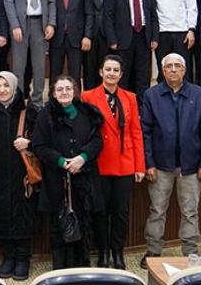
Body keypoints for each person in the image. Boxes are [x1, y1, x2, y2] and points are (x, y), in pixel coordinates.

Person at [139, 53, 201, 268]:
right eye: (169, 66)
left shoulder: (199, 94)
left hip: (191, 167)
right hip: (160, 166)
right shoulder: (151, 95)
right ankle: (153, 251)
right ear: (163, 71)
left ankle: (190, 253)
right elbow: (146, 132)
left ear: (184, 70)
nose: (173, 69)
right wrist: (149, 163)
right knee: (157, 210)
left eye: (177, 66)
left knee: (190, 212)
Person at [32, 74, 102, 269]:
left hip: (83, 179)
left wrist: (83, 157)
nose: (64, 92)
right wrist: (62, 161)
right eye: (60, 89)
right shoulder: (45, 115)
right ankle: (60, 270)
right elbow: (38, 146)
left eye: (68, 88)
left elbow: (97, 141)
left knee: (83, 223)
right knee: (59, 226)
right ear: (53, 93)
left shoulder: (86, 112)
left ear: (74, 91)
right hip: (57, 180)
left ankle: (80, 268)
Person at [82, 55, 144, 270]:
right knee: (100, 211)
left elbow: (136, 132)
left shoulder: (130, 97)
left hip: (125, 162)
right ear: (101, 72)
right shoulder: (88, 96)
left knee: (120, 212)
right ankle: (102, 252)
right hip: (99, 162)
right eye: (107, 69)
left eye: (115, 70)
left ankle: (117, 252)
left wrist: (140, 166)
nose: (111, 73)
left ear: (121, 74)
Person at [0, 71, 38, 280]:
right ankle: (7, 256)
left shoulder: (28, 111)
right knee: (1, 213)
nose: (2, 90)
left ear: (14, 87)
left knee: (22, 213)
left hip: (21, 173)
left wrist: (29, 143)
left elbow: (43, 138)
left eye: (6, 85)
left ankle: (22, 257)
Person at [4, 0, 56, 105]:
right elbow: (8, 2)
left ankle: (37, 102)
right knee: (18, 67)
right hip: (21, 25)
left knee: (39, 67)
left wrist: (51, 23)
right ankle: (18, 101)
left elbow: (51, 1)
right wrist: (14, 25)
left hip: (40, 25)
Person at [103, 0, 159, 100]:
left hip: (144, 38)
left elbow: (153, 16)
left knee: (143, 76)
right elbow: (108, 16)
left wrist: (154, 38)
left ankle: (142, 107)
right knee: (123, 76)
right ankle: (122, 106)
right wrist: (112, 40)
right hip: (122, 39)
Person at [151, 0, 197, 74]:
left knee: (182, 68)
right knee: (163, 68)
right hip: (162, 33)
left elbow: (191, 8)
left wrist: (191, 30)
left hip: (182, 32)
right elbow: (152, 12)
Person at [49, 0, 93, 85]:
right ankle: (53, 97)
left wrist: (87, 36)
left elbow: (89, 14)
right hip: (56, 37)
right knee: (54, 73)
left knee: (75, 74)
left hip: (77, 38)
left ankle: (76, 97)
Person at [83, 0, 117, 90]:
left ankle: (105, 98)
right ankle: (89, 100)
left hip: (107, 33)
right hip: (88, 34)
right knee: (89, 70)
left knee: (107, 68)